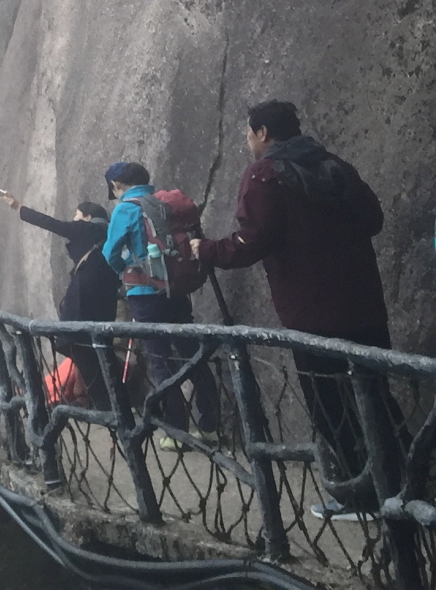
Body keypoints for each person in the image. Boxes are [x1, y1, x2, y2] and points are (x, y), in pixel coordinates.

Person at [191, 100, 392, 518]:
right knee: (376, 396)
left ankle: (362, 496)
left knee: (330, 406)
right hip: (364, 305)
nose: (248, 142)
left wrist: (205, 249)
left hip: (313, 316)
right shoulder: (333, 164)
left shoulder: (264, 175)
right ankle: (405, 488)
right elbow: (373, 218)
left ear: (264, 132)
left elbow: (253, 239)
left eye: (249, 133)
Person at [102, 161, 220, 446]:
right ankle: (210, 426)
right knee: (192, 352)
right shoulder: (166, 203)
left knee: (160, 360)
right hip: (177, 289)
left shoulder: (126, 209)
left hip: (144, 294)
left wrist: (125, 270)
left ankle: (176, 431)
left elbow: (110, 252)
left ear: (116, 185)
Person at [0, 188, 113, 403]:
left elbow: (51, 223)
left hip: (85, 294)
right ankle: (108, 399)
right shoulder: (109, 232)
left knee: (78, 343)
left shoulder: (86, 229)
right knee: (100, 347)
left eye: (76, 216)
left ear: (87, 217)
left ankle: (101, 401)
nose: (73, 220)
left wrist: (19, 207)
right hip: (107, 295)